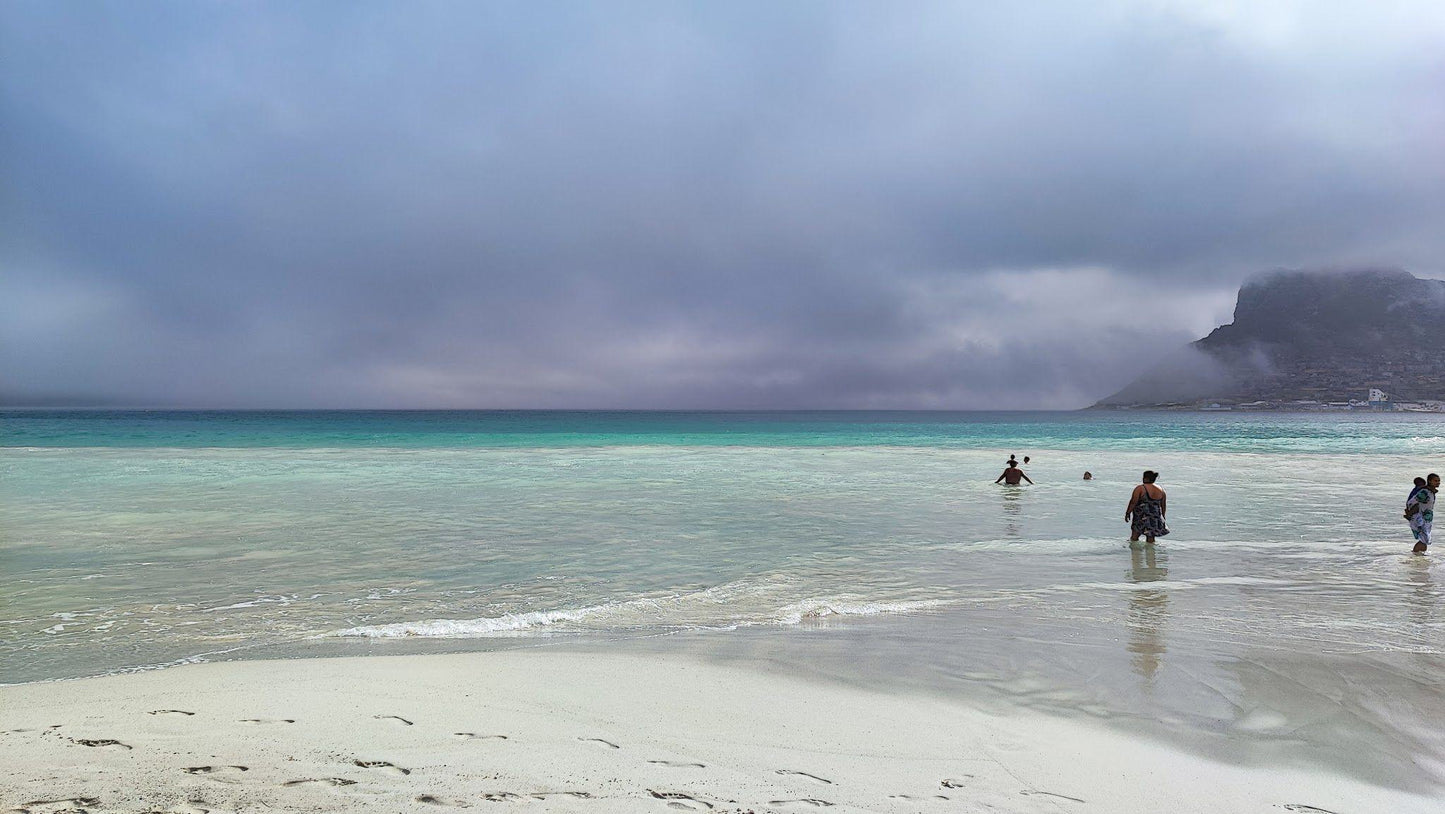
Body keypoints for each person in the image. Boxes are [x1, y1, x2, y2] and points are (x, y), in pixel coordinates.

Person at [1125, 470, 1169, 543]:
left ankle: (1135, 553)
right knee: (1151, 539)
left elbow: (1133, 502)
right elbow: (1163, 505)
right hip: (1155, 517)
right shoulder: (1161, 490)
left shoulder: (1140, 488)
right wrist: (1163, 516)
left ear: (1146, 478)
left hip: (1141, 516)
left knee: (1135, 536)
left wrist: (1128, 513)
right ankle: (1151, 554)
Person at [1406, 473, 1438, 554]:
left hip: (1427, 519)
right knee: (1424, 539)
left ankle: (1419, 556)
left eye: (1438, 481)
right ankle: (1415, 555)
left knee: (1425, 539)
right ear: (1429, 481)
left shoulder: (1431, 492)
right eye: (1435, 481)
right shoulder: (1425, 492)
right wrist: (1412, 513)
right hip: (1421, 518)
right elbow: (1411, 502)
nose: (1438, 482)